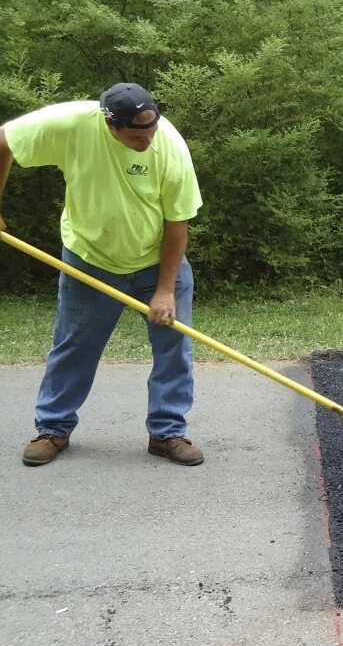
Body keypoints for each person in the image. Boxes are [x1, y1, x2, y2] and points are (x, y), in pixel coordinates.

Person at [0, 83, 205, 467]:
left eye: (152, 131)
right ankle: (53, 428)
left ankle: (167, 433)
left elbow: (178, 223)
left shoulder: (170, 147)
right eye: (136, 136)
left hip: (156, 260)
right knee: (74, 345)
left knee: (174, 348)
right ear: (110, 124)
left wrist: (164, 291)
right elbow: (3, 141)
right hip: (89, 259)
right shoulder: (70, 124)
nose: (147, 140)